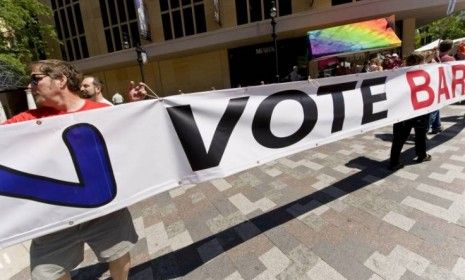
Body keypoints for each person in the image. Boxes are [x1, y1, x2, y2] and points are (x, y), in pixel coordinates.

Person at [2, 59, 138, 280]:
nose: (30, 86)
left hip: (103, 206)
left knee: (118, 252)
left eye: (36, 79)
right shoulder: (26, 122)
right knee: (46, 274)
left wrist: (136, 109)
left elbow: (131, 144)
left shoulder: (101, 112)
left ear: (61, 80)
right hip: (53, 215)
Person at [389, 53, 431, 171]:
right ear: (420, 62)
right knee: (420, 134)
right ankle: (421, 155)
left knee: (399, 137)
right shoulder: (425, 73)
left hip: (402, 110)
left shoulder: (399, 73)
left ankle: (394, 162)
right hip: (419, 109)